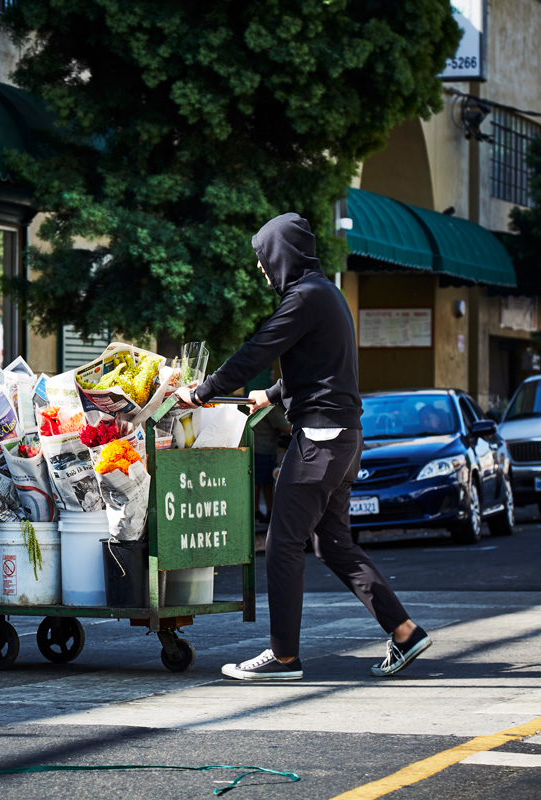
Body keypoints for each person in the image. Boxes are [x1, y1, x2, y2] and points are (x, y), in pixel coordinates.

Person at [175, 212, 430, 681]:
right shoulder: (324, 294)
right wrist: (270, 395)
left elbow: (261, 348)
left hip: (319, 438)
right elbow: (314, 365)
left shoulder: (304, 297)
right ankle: (405, 631)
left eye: (262, 257)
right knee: (331, 543)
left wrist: (203, 390)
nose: (260, 268)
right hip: (344, 437)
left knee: (282, 543)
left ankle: (283, 657)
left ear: (281, 254)